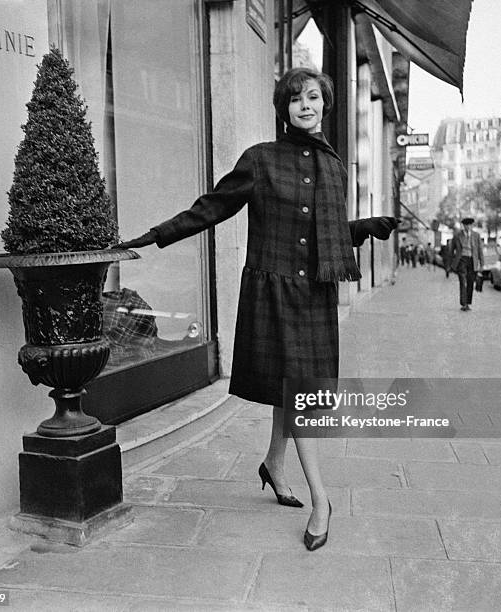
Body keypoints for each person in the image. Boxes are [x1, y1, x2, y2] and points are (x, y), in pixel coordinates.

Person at [115, 67, 398, 551]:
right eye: (295, 99)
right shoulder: (260, 160)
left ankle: (273, 464)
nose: (305, 105)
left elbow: (321, 232)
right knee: (302, 393)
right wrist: (156, 235)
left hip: (316, 295)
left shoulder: (333, 165)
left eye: (313, 97)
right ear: (283, 109)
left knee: (297, 389)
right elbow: (214, 205)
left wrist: (361, 226)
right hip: (276, 292)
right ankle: (321, 500)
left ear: (326, 103)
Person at [449, 217, 484, 311]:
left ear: (472, 225)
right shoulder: (457, 236)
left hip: (472, 260)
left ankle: (468, 303)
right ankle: (464, 304)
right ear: (463, 226)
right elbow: (451, 250)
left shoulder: (476, 235)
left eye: (470, 225)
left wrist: (482, 264)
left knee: (470, 282)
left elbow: (480, 250)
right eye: (466, 225)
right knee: (462, 281)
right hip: (462, 260)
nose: (468, 227)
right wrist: (451, 264)